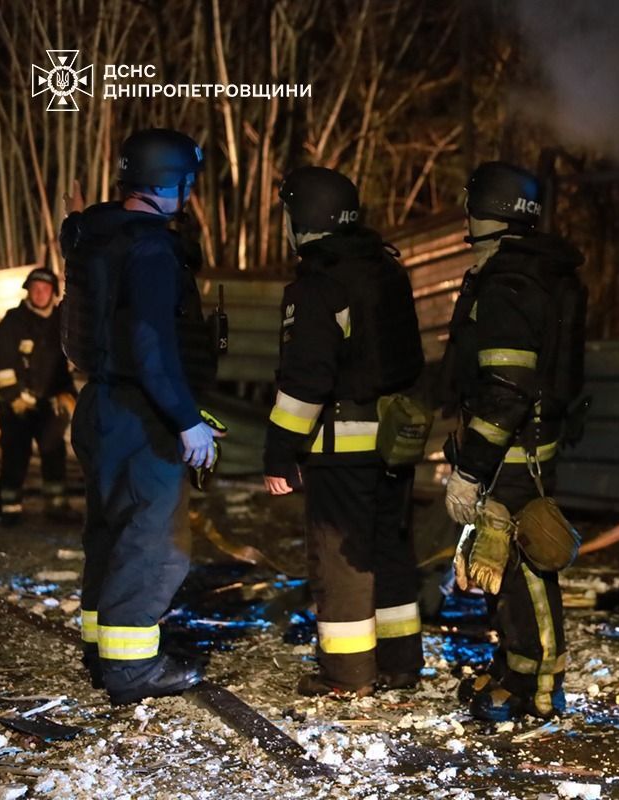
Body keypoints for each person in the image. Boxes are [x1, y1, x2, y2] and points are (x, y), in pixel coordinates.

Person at [60, 128, 220, 704]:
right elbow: (155, 349)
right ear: (167, 181)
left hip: (99, 405)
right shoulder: (151, 248)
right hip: (142, 412)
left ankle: (101, 655)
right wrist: (187, 420)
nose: (191, 192)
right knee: (153, 541)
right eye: (187, 181)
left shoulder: (94, 238)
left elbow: (73, 235)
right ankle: (131, 672)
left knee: (108, 531)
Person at [263, 166, 425, 698]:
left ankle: (349, 674)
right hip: (394, 443)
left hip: (340, 446)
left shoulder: (318, 284)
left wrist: (280, 451)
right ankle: (401, 664)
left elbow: (306, 380)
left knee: (339, 560)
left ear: (303, 217)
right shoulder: (387, 270)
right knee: (388, 550)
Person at [442, 161, 587, 722]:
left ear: (486, 213)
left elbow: (506, 388)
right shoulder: (536, 272)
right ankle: (513, 667)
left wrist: (472, 469)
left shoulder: (508, 283)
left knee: (526, 569)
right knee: (498, 568)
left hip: (510, 453)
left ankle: (540, 688)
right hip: (526, 447)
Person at [0, 268, 79, 526]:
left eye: (46, 288)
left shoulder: (61, 323)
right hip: (16, 404)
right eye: (36, 288)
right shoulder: (13, 321)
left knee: (54, 454)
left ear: (53, 292)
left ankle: (56, 507)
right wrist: (14, 398)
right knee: (15, 456)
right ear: (28, 290)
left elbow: (67, 365)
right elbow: (2, 366)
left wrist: (67, 395)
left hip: (50, 403)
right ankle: (8, 509)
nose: (40, 293)